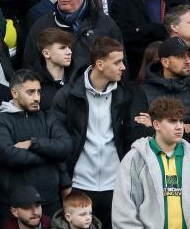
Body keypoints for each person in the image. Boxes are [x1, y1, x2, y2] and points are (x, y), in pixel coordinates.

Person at [52, 36, 150, 227]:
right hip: (79, 183)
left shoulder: (126, 96)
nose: (123, 67)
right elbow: (58, 141)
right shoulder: (67, 95)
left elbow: (132, 140)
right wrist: (65, 182)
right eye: (117, 62)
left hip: (116, 184)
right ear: (100, 64)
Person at [0, 69, 72, 220]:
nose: (37, 98)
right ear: (14, 93)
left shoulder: (48, 117)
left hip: (50, 203)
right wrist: (49, 156)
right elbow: (8, 155)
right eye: (31, 92)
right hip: (15, 207)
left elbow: (65, 146)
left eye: (39, 92)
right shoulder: (0, 121)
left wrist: (33, 143)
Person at [112, 96, 190, 228]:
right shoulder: (135, 159)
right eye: (172, 121)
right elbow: (124, 213)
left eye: (181, 121)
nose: (179, 127)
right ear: (156, 124)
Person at [110, 0, 180, 70]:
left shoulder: (174, 1)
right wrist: (158, 31)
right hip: (139, 70)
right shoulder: (121, 3)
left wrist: (144, 31)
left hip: (175, 67)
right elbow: (124, 40)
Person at [141, 36, 190, 110]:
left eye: (189, 55)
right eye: (181, 56)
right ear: (165, 62)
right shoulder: (144, 91)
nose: (188, 61)